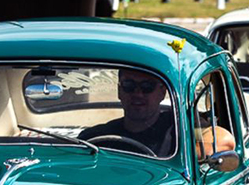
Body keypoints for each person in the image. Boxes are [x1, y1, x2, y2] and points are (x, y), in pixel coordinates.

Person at [79, 68, 234, 158]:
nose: (138, 94)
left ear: (162, 92)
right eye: (129, 85)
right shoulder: (96, 136)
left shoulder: (178, 127)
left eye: (147, 86)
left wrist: (190, 156)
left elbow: (223, 140)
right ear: (120, 91)